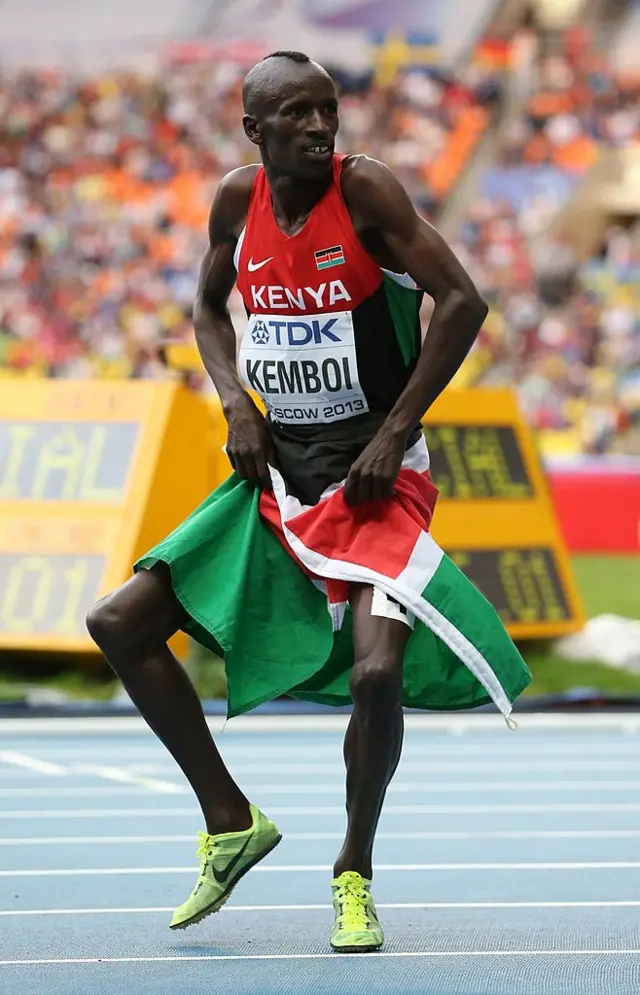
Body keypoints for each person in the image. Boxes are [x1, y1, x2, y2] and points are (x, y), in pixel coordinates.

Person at [87, 51, 530, 953]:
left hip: (375, 480)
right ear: (255, 128)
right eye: (297, 114)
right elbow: (209, 309)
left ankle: (353, 868)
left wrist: (395, 430)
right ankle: (229, 819)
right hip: (278, 481)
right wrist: (234, 402)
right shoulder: (233, 202)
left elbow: (464, 301)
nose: (322, 127)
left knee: (376, 672)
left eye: (328, 109)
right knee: (120, 622)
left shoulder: (365, 192)